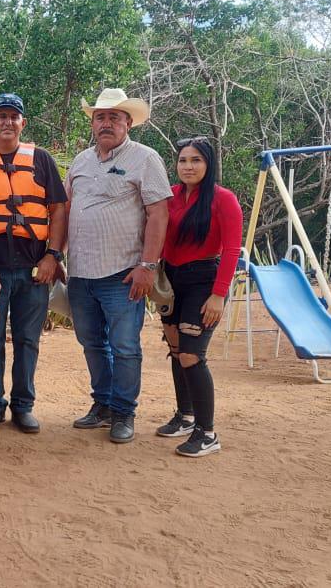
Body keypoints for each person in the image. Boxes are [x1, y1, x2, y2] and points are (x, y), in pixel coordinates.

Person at [66, 88, 172, 444]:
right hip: (81, 272)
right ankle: (104, 404)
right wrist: (56, 254)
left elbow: (159, 213)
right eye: (101, 116)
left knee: (125, 345)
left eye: (115, 117)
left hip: (124, 272)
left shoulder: (146, 158)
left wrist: (148, 265)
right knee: (92, 342)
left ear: (128, 122)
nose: (107, 122)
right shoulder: (80, 162)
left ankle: (124, 411)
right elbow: (66, 211)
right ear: (93, 123)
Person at [0, 93, 68, 434]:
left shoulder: (41, 160)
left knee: (28, 339)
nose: (8, 122)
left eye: (14, 116)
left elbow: (57, 210)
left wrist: (53, 255)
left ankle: (23, 405)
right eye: (1, 116)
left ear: (23, 122)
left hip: (33, 270)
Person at [156, 137, 242, 457]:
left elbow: (232, 249)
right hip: (172, 279)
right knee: (177, 350)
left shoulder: (223, 199)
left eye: (196, 160)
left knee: (192, 354)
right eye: (183, 160)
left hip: (204, 280)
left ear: (209, 164)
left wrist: (218, 295)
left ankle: (207, 433)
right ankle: (185, 415)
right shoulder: (172, 196)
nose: (188, 166)